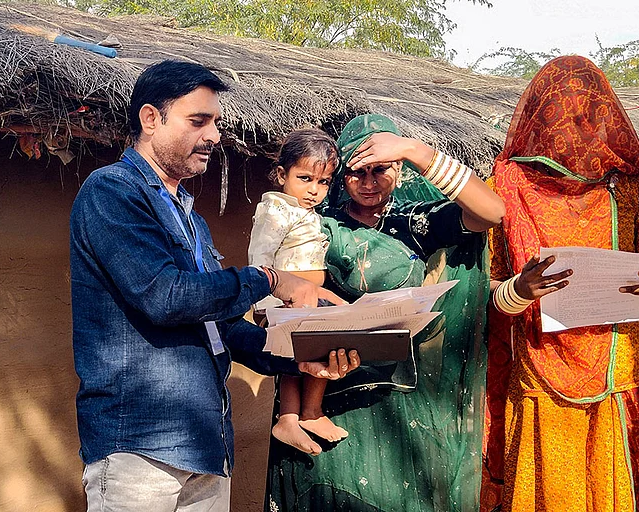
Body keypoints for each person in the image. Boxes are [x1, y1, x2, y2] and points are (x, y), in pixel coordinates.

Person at [70, 60, 360, 512]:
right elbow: (165, 297)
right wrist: (269, 278)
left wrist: (303, 357)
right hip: (138, 447)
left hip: (206, 446)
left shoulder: (192, 219)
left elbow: (220, 328)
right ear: (151, 119)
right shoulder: (112, 191)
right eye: (198, 121)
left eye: (216, 123)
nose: (213, 135)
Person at [480, 55, 639, 512]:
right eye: (561, 114)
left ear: (605, 116)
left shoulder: (628, 185)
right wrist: (521, 291)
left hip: (628, 363)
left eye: (585, 114)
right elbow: (489, 291)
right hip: (546, 362)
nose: (574, 127)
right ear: (538, 115)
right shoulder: (508, 184)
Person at [266, 114, 505, 511]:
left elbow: (492, 213)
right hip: (327, 395)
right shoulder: (313, 222)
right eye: (357, 172)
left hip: (402, 403)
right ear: (340, 174)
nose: (369, 182)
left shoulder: (413, 222)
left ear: (399, 168)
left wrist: (415, 150)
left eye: (382, 170)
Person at [248, 128, 348, 456]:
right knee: (305, 349)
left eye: (323, 182)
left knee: (308, 353)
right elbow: (260, 257)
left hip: (306, 299)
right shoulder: (276, 209)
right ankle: (302, 414)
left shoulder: (307, 213)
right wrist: (262, 304)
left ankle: (299, 416)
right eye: (305, 178)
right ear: (281, 174)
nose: (314, 190)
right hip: (284, 299)